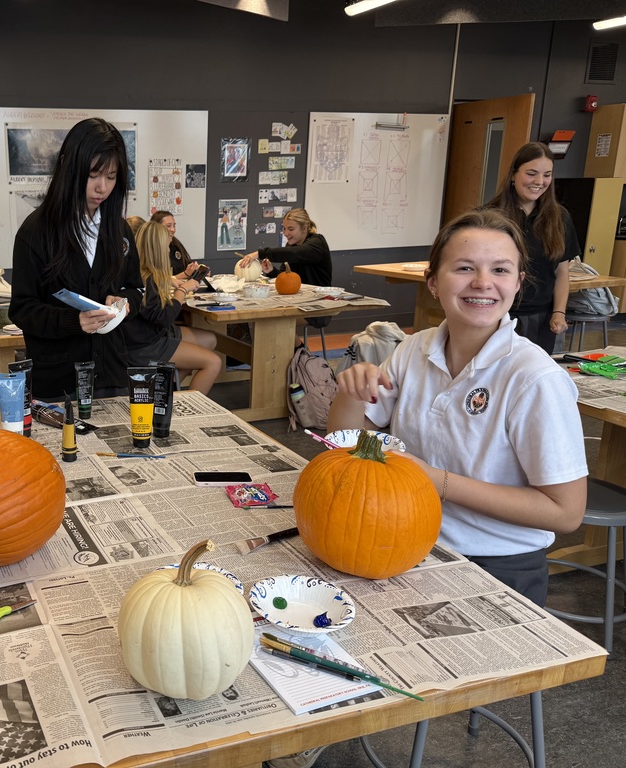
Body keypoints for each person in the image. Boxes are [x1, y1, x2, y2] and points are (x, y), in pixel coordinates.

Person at [327, 208, 586, 607]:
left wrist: (434, 480)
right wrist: (351, 391)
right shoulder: (415, 348)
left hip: (497, 565)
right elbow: (344, 444)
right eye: (464, 268)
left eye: (500, 270)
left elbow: (565, 513)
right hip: (404, 538)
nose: (483, 283)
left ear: (518, 283)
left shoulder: (535, 377)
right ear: (433, 281)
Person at [9, 118, 143, 400]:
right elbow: (22, 309)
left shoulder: (119, 229)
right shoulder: (35, 232)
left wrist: (124, 301)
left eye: (111, 177)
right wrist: (74, 321)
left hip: (111, 375)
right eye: (93, 175)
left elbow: (136, 288)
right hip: (59, 382)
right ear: (71, 169)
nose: (102, 188)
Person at [484, 141, 580, 353]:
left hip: (541, 319)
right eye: (531, 173)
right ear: (513, 175)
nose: (539, 181)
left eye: (547, 175)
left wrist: (559, 312)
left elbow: (562, 271)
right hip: (497, 315)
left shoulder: (559, 217)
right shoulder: (490, 215)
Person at [123, 222, 221, 394]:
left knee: (210, 340)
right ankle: (189, 413)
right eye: (166, 245)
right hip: (145, 346)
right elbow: (164, 317)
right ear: (158, 249)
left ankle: (168, 387)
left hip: (153, 334)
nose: (169, 250)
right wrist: (182, 291)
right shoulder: (146, 279)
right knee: (214, 362)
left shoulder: (145, 273)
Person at [238, 208, 332, 286]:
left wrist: (260, 253)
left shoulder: (317, 243)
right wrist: (271, 271)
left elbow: (296, 253)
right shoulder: (291, 245)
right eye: (284, 228)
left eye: (290, 229)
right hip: (299, 297)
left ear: (304, 228)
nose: (285, 233)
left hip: (320, 298)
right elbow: (286, 277)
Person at [150, 210, 198, 279]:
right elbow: (160, 280)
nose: (173, 229)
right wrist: (185, 274)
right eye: (168, 226)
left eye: (174, 226)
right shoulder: (151, 250)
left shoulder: (175, 244)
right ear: (157, 227)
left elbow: (186, 264)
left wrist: (196, 270)